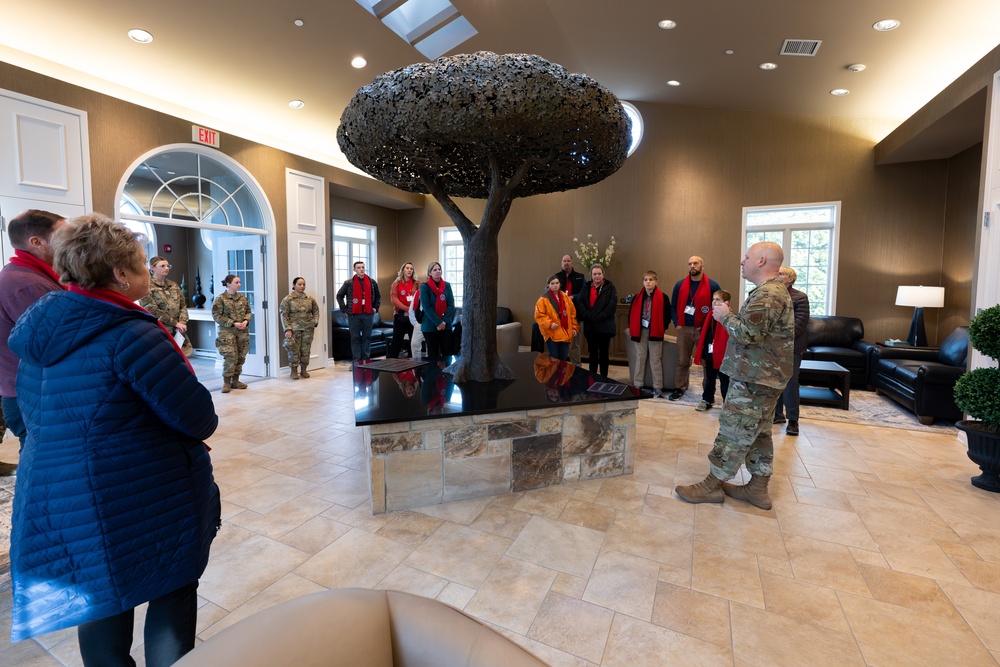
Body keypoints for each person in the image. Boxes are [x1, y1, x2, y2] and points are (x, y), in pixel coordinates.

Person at [8, 214, 219, 666]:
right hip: (137, 495)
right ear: (121, 273)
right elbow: (198, 418)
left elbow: (39, 416)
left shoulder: (39, 330)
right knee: (171, 586)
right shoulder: (133, 333)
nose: (150, 269)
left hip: (64, 497)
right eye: (144, 262)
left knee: (102, 598)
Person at [675, 242, 793, 510]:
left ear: (761, 261)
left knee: (733, 430)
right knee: (760, 432)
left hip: (755, 378)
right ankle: (758, 488)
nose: (742, 261)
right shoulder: (771, 291)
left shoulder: (768, 295)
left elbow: (749, 334)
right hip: (762, 376)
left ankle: (712, 484)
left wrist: (726, 316)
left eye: (747, 257)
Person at [0, 210, 66, 455]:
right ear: (37, 242)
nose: (70, 242)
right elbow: (57, 343)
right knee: (44, 469)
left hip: (31, 392)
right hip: (33, 396)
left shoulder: (26, 275)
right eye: (63, 235)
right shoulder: (28, 283)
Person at [669, 255, 721, 401]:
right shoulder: (679, 285)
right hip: (684, 328)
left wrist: (712, 329)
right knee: (682, 360)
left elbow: (719, 306)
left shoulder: (713, 285)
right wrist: (677, 323)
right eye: (690, 263)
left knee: (707, 362)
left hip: (703, 330)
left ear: (702, 266)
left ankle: (707, 392)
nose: (692, 266)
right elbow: (673, 306)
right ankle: (679, 388)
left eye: (695, 263)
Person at [773, 266, 810, 436]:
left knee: (790, 384)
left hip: (793, 347)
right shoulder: (772, 294)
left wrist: (781, 337)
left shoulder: (800, 297)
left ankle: (793, 421)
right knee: (775, 381)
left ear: (790, 278)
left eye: (781, 274)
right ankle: (777, 415)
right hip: (773, 347)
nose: (777, 276)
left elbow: (800, 323)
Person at [627, 270, 671, 397]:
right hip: (641, 331)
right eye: (645, 280)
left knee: (655, 360)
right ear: (643, 282)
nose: (648, 282)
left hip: (655, 332)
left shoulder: (663, 297)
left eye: (651, 280)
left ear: (656, 281)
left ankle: (657, 387)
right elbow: (631, 315)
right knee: (640, 357)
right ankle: (637, 384)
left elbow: (667, 315)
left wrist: (662, 328)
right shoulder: (637, 297)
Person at [139, 255, 192, 357]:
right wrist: (175, 323)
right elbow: (152, 310)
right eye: (162, 266)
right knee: (164, 360)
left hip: (178, 332)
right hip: (159, 331)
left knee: (181, 361)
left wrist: (181, 323)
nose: (166, 268)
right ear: (152, 268)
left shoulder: (173, 285)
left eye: (168, 266)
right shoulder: (146, 286)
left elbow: (182, 306)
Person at [693, 290, 733, 411]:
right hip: (710, 351)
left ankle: (727, 403)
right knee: (709, 377)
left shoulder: (730, 317)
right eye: (713, 299)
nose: (714, 302)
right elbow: (705, 335)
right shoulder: (709, 315)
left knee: (724, 379)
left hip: (723, 354)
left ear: (726, 303)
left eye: (717, 299)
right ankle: (707, 399)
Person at [213, 274, 252, 393]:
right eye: (236, 282)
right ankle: (226, 382)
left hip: (242, 332)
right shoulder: (220, 299)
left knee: (240, 356)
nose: (239, 284)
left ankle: (235, 380)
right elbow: (216, 315)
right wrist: (233, 323)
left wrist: (246, 320)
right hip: (227, 332)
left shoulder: (243, 298)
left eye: (239, 282)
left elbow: (248, 312)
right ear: (228, 284)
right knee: (230, 356)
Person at [577, 263, 618, 377]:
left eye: (599, 274)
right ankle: (593, 377)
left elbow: (611, 306)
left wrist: (598, 317)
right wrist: (587, 315)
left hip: (605, 326)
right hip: (590, 326)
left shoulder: (610, 287)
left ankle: (604, 377)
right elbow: (580, 302)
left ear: (603, 274)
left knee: (604, 353)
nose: (597, 276)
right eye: (594, 274)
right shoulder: (586, 287)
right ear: (590, 275)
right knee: (592, 353)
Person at [336, 261, 381, 362]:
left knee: (367, 337)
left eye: (363, 267)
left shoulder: (372, 282)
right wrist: (344, 309)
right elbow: (339, 295)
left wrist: (375, 308)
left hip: (368, 313)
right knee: (355, 338)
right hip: (354, 315)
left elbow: (378, 296)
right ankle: (356, 361)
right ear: (354, 270)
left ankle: (366, 360)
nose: (361, 269)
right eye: (359, 267)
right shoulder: (348, 283)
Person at [279, 276, 320, 379]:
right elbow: (284, 315)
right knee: (294, 350)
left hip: (308, 328)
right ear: (293, 285)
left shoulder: (309, 298)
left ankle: (304, 370)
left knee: (306, 350)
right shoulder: (287, 299)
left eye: (303, 284)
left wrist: (315, 322)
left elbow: (316, 310)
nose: (302, 286)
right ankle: (293, 371)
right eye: (299, 284)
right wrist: (287, 329)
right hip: (294, 329)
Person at [535, 273, 579, 361]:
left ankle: (561, 374)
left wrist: (574, 327)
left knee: (563, 355)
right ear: (548, 285)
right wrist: (550, 324)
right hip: (552, 331)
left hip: (564, 330)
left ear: (560, 284)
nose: (555, 285)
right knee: (553, 355)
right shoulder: (543, 299)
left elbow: (572, 313)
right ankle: (553, 373)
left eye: (557, 283)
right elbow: (539, 315)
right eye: (552, 283)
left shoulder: (564, 297)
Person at [419, 261, 455, 359]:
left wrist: (444, 322)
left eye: (439, 269)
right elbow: (427, 307)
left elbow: (451, 305)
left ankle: (447, 374)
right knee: (433, 355)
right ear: (429, 273)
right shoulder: (424, 287)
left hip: (445, 325)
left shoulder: (447, 285)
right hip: (430, 325)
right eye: (435, 270)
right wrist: (438, 323)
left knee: (447, 353)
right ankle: (434, 374)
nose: (438, 271)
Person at [557, 254, 585, 365]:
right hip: (559, 315)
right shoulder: (556, 277)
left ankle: (576, 367)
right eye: (564, 261)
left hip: (575, 315)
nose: (566, 263)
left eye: (568, 261)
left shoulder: (580, 277)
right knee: (560, 343)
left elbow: (584, 293)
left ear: (572, 263)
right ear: (561, 263)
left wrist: (573, 297)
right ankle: (559, 367)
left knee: (575, 344)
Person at [388, 262, 420, 358]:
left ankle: (412, 362)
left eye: (411, 268)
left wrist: (411, 311)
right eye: (407, 268)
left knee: (413, 340)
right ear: (403, 270)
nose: (409, 270)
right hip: (400, 314)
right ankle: (391, 362)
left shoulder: (417, 283)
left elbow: (421, 297)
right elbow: (394, 299)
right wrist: (406, 309)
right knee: (397, 340)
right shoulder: (396, 283)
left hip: (414, 315)